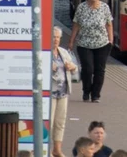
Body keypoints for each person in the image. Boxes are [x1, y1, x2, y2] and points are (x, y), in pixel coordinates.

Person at [70, 0, 113, 103]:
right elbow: (76, 24)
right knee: (88, 68)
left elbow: (109, 24)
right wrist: (71, 40)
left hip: (102, 44)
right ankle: (86, 91)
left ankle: (95, 95)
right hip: (84, 44)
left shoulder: (105, 7)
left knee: (100, 70)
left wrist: (111, 40)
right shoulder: (81, 7)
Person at [50, 26, 77, 157]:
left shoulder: (63, 52)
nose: (55, 40)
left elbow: (75, 69)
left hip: (63, 92)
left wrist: (72, 67)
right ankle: (46, 148)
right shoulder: (44, 52)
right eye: (53, 37)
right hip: (50, 94)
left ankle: (57, 149)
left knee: (60, 122)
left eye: (58, 37)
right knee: (48, 122)